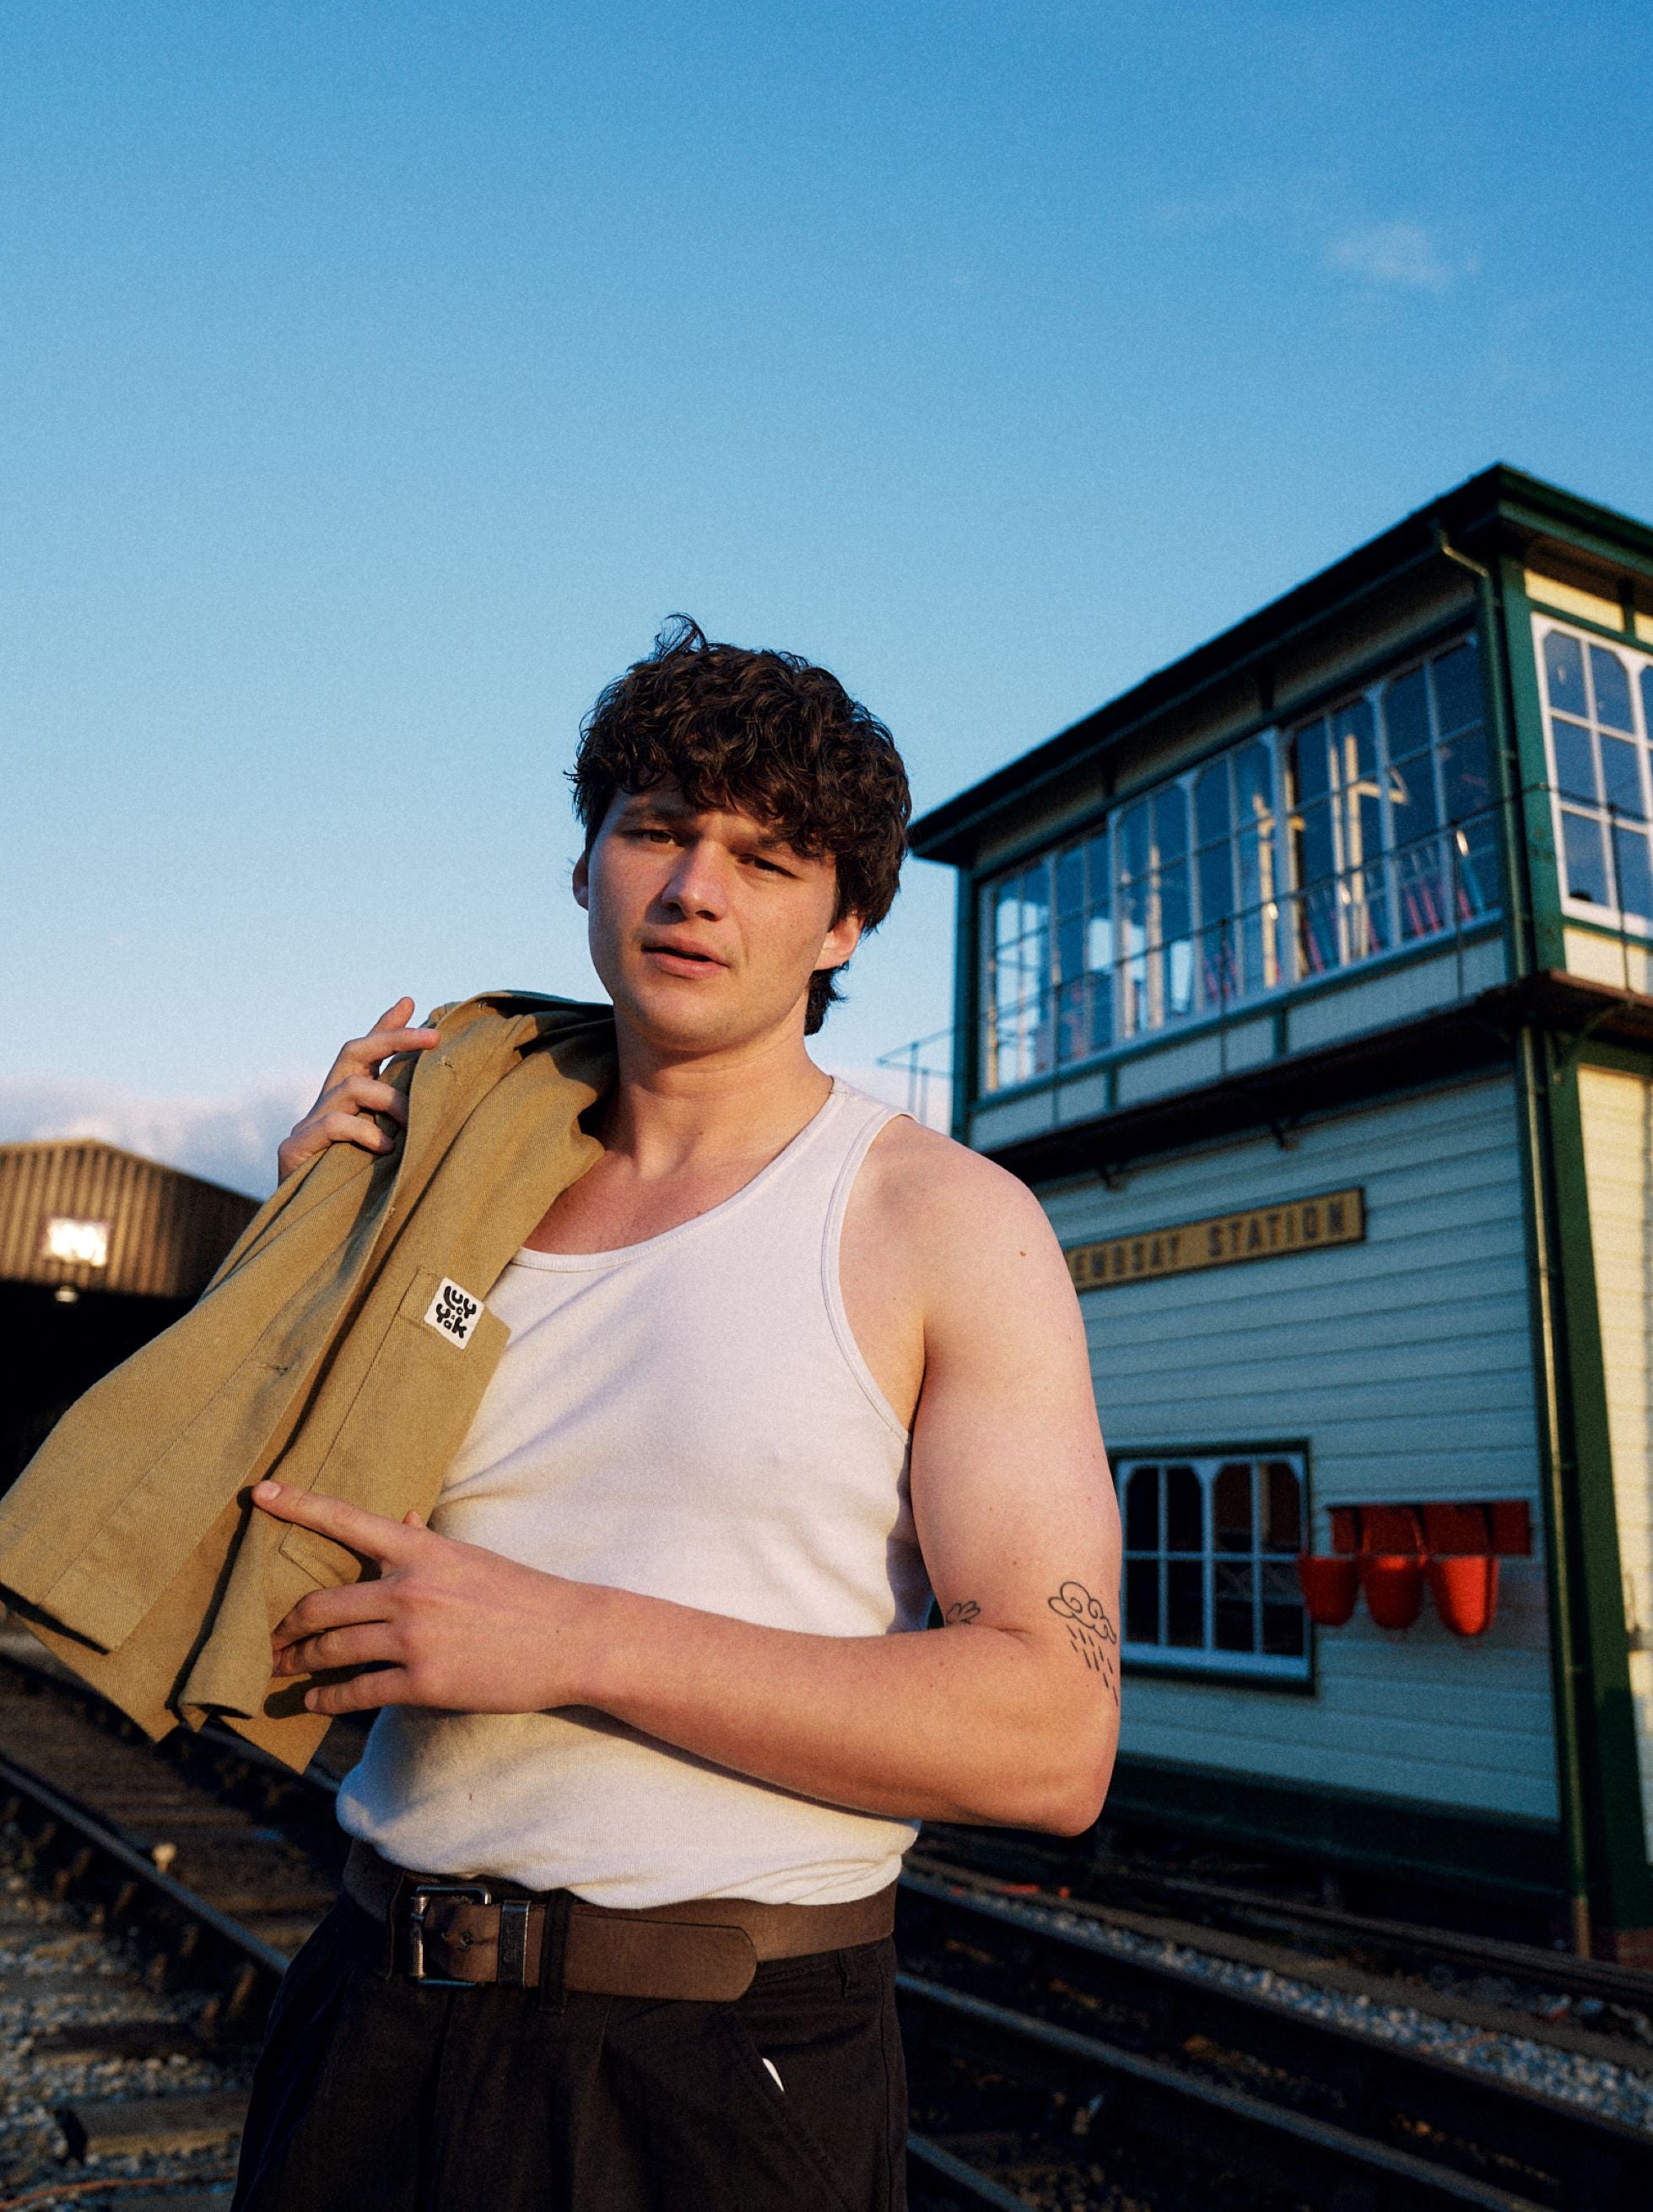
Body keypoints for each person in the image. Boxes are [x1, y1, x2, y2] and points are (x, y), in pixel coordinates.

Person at [232, 620, 1121, 2212]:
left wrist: (576, 1639)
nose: (695, 889)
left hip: (720, 2062)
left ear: (844, 924)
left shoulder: (940, 1222)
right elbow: (231, 1550)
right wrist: (297, 1256)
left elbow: (1054, 1738)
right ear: (587, 867)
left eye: (767, 859)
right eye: (656, 831)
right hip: (374, 2012)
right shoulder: (446, 1186)